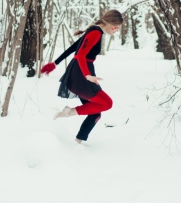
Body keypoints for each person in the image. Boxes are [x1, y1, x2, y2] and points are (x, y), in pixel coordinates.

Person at [40, 9, 123, 143]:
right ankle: (69, 112)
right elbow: (80, 55)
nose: (116, 30)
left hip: (82, 71)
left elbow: (74, 48)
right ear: (110, 22)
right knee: (107, 103)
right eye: (116, 27)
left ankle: (78, 142)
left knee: (95, 113)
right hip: (81, 73)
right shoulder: (95, 32)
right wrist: (87, 75)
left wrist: (54, 63)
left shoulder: (95, 31)